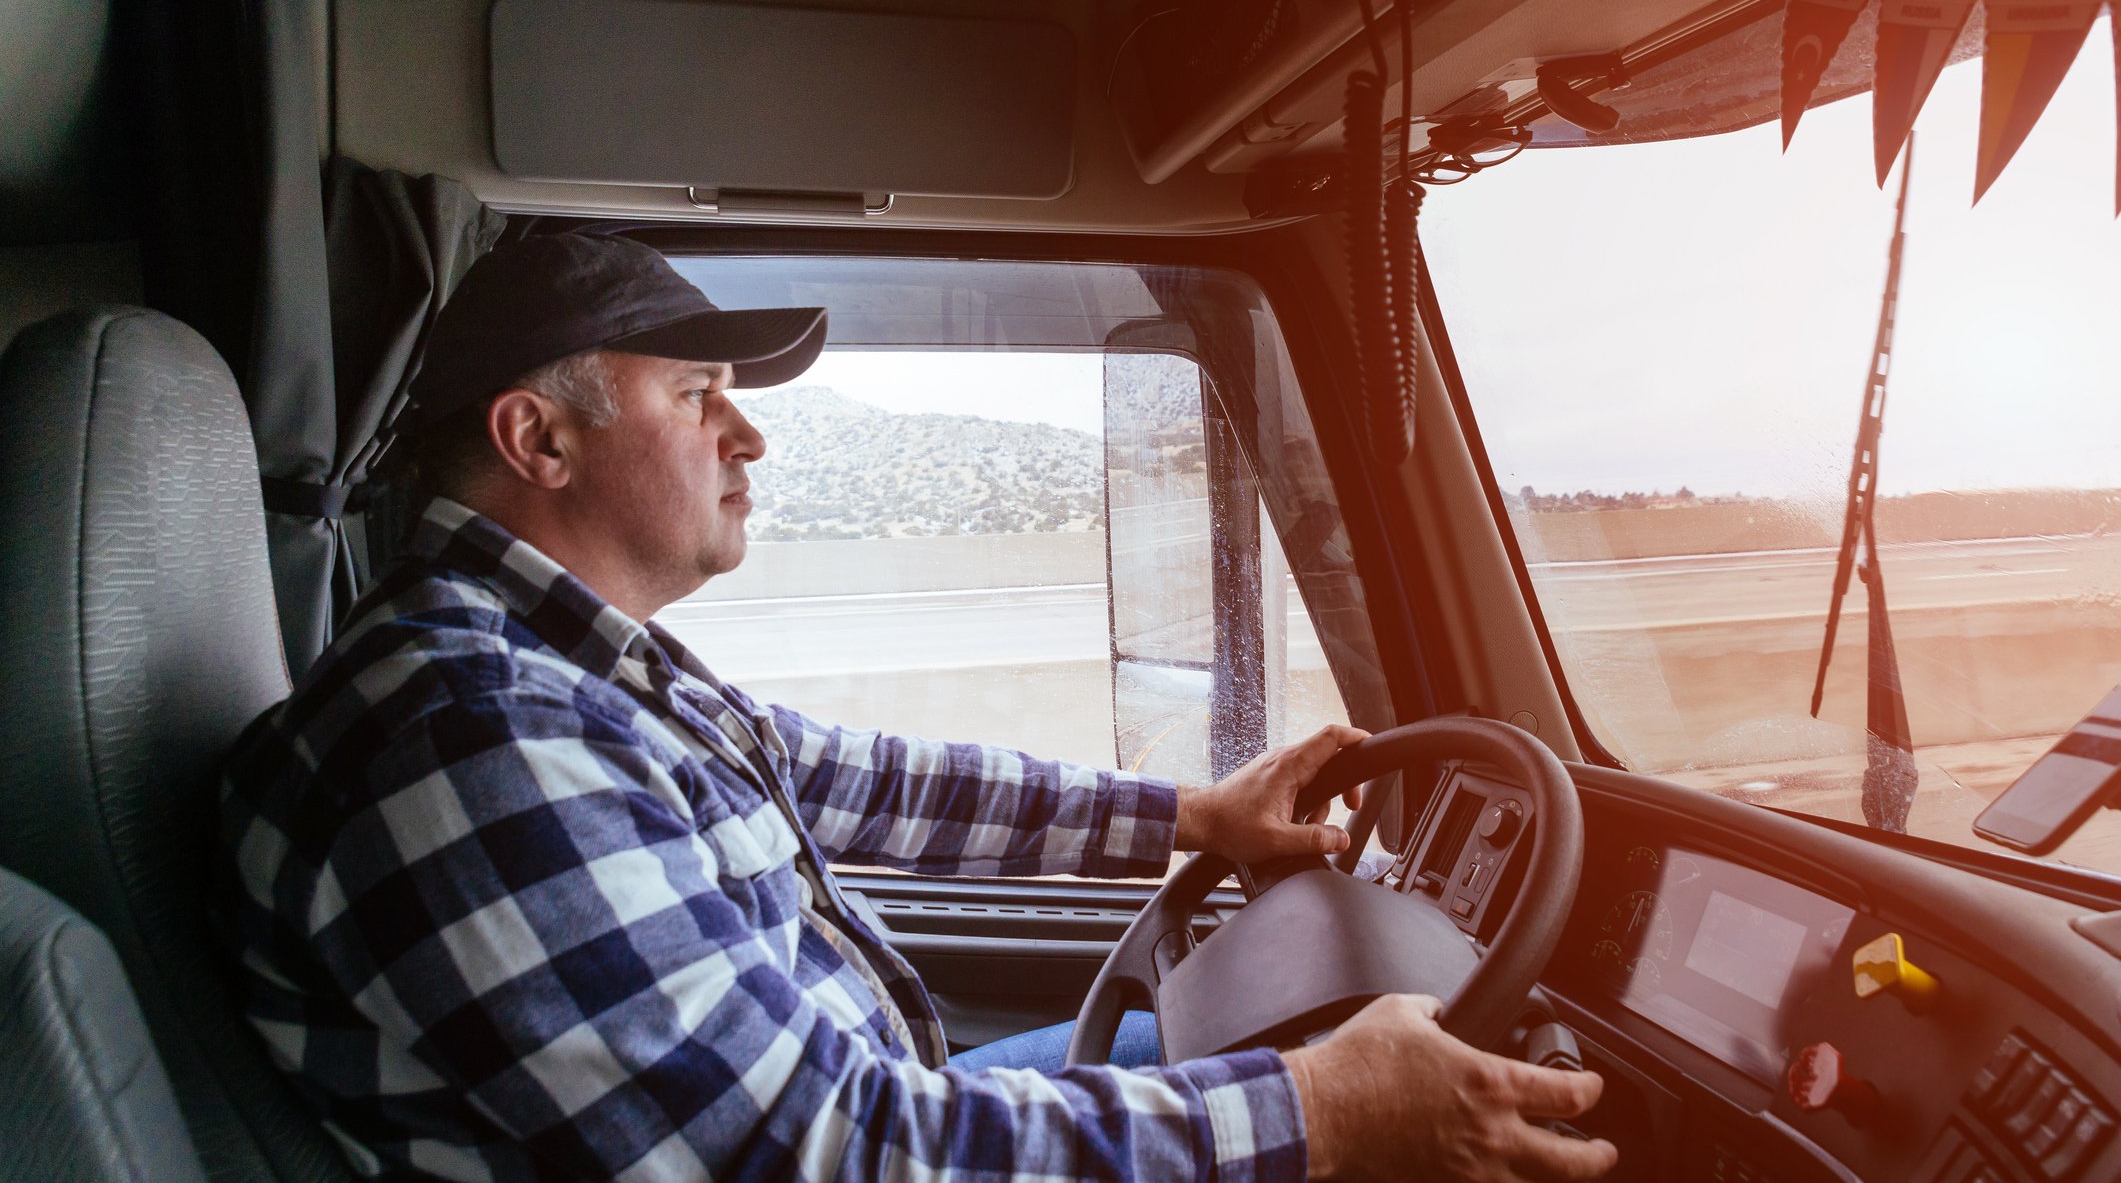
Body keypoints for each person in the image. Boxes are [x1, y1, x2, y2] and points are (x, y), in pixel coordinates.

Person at [217, 232, 1617, 1182]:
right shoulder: (467, 741)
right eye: (697, 390)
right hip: (839, 1147)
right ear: (539, 438)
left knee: (1192, 1055)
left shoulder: (568, 668)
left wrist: (1194, 811)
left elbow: (842, 778)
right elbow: (821, 1153)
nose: (747, 429)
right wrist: (1324, 1111)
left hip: (854, 1111)